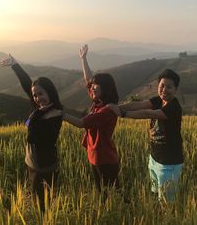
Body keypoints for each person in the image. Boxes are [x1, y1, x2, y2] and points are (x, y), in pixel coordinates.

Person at [108, 69, 183, 203]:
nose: (164, 90)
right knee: (156, 195)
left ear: (176, 89)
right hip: (154, 159)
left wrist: (123, 114)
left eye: (169, 87)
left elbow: (148, 113)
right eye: (162, 86)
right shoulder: (158, 100)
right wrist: (117, 107)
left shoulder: (174, 108)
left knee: (166, 202)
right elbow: (139, 104)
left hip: (169, 163)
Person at [1, 54, 63, 212]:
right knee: (36, 200)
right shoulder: (40, 109)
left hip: (44, 166)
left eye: (41, 94)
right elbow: (27, 84)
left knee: (42, 205)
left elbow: (34, 137)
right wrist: (15, 65)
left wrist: (35, 116)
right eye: (35, 95)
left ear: (50, 92)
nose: (37, 98)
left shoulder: (54, 114)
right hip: (32, 162)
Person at [63, 44, 121, 196]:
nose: (92, 91)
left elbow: (82, 123)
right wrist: (83, 59)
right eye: (92, 89)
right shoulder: (98, 102)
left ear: (105, 90)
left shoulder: (107, 110)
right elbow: (88, 79)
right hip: (95, 157)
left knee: (111, 195)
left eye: (95, 89)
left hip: (105, 160)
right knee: (103, 192)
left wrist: (60, 114)